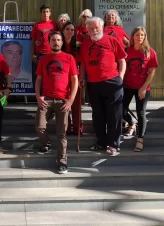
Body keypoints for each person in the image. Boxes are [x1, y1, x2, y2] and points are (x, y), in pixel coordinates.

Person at [79, 17, 127, 155]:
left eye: (96, 28)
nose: (94, 31)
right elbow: (82, 63)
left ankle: (113, 145)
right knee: (98, 115)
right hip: (93, 84)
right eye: (91, 28)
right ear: (87, 30)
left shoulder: (112, 40)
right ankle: (101, 142)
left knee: (114, 115)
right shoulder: (85, 44)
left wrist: (120, 78)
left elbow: (122, 60)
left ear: (102, 28)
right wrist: (82, 77)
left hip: (112, 82)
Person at [35, 31, 79, 174]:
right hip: (46, 98)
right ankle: (46, 143)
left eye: (58, 40)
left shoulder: (69, 58)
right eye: (53, 39)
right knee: (40, 126)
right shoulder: (43, 59)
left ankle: (62, 161)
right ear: (49, 42)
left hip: (63, 100)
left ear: (62, 42)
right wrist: (38, 96)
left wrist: (70, 100)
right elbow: (38, 80)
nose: (56, 42)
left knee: (62, 133)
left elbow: (75, 81)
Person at [123, 27, 158, 152]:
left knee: (141, 112)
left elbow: (151, 72)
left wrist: (143, 88)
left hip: (142, 88)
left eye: (142, 35)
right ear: (132, 36)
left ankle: (140, 139)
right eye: (137, 35)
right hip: (127, 86)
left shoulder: (150, 52)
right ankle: (132, 122)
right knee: (121, 110)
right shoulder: (127, 50)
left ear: (145, 37)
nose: (140, 37)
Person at [61, 21, 83, 135]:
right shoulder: (59, 43)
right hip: (62, 78)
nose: (70, 31)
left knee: (76, 104)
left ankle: (77, 128)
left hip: (75, 77)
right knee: (64, 102)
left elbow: (82, 63)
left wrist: (82, 77)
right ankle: (67, 127)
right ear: (63, 31)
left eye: (72, 30)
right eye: (67, 29)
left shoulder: (78, 45)